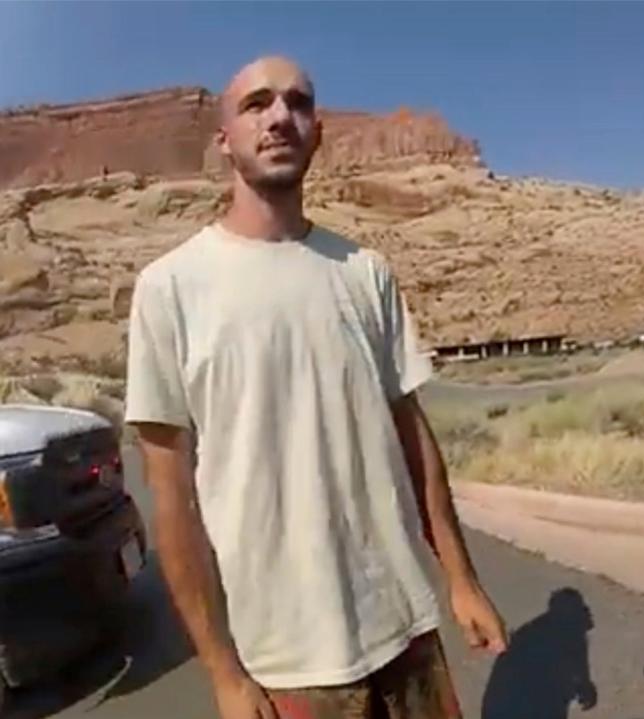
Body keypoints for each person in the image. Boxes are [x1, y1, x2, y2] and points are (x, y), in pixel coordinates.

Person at [124, 56, 508, 719]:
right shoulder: (171, 289)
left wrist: (461, 579)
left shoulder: (365, 272)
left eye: (298, 103)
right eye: (257, 104)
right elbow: (174, 504)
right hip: (285, 663)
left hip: (405, 631)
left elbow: (413, 438)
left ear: (317, 130)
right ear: (224, 139)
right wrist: (223, 673)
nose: (280, 117)